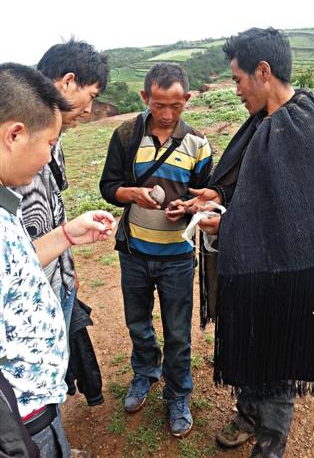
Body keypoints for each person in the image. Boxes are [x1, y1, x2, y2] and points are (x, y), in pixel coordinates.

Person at [186, 28, 314, 457]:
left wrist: (228, 228)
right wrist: (218, 196)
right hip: (255, 265)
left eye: (239, 79)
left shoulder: (300, 122)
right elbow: (251, 186)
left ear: (263, 72)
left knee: (276, 354)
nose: (237, 89)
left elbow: (294, 214)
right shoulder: (263, 122)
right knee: (250, 340)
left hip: (288, 273)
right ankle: (248, 412)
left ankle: (270, 442)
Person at [0, 63, 116, 457]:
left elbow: (16, 265)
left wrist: (67, 235)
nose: (51, 156)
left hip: (35, 407)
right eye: (50, 143)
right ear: (14, 135)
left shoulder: (4, 202)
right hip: (19, 421)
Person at [100, 63, 212, 437]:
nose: (166, 115)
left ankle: (178, 393)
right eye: (159, 105)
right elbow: (108, 186)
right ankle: (145, 373)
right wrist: (133, 194)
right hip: (134, 252)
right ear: (145, 98)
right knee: (138, 323)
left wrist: (190, 208)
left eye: (175, 106)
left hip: (177, 258)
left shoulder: (198, 144)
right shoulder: (126, 134)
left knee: (178, 332)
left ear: (187, 100)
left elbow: (206, 199)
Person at [13, 39, 108, 332]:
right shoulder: (18, 139)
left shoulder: (54, 137)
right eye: (90, 96)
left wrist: (68, 270)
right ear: (67, 82)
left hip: (57, 280)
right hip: (23, 301)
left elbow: (55, 207)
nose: (90, 110)